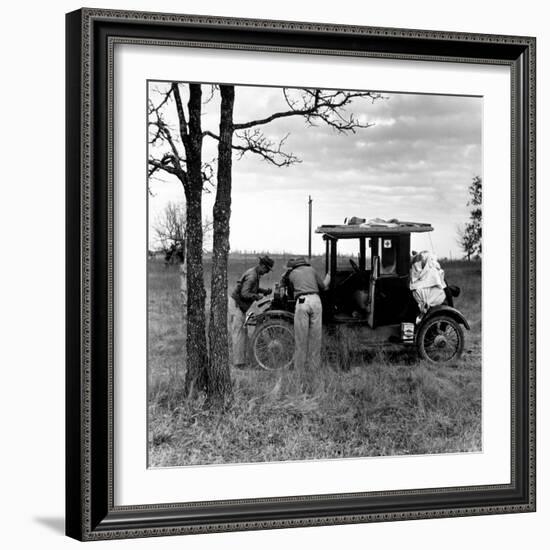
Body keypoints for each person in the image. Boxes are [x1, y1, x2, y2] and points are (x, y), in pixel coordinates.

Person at [285, 257, 330, 375]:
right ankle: (314, 369)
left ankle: (299, 370)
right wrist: (328, 277)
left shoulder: (291, 274)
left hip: (302, 301)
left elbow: (289, 291)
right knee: (316, 338)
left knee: (301, 339)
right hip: (316, 301)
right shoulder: (312, 270)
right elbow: (324, 287)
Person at [229, 255, 274, 368]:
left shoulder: (255, 274)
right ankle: (238, 363)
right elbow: (245, 293)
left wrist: (263, 291)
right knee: (239, 334)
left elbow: (251, 288)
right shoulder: (252, 276)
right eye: (267, 269)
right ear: (262, 266)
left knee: (242, 333)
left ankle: (241, 361)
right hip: (237, 305)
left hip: (239, 305)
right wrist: (255, 296)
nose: (267, 272)